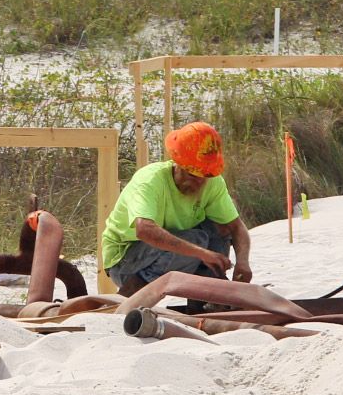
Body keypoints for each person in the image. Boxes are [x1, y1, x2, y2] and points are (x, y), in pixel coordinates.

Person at [101, 121, 252, 295]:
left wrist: (242, 262)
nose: (198, 181)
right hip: (125, 261)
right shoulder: (150, 180)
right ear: (178, 163)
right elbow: (144, 230)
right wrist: (202, 253)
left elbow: (236, 226)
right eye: (192, 174)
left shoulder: (212, 181)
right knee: (197, 240)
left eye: (204, 176)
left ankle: (206, 295)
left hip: (172, 253)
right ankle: (134, 291)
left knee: (219, 228)